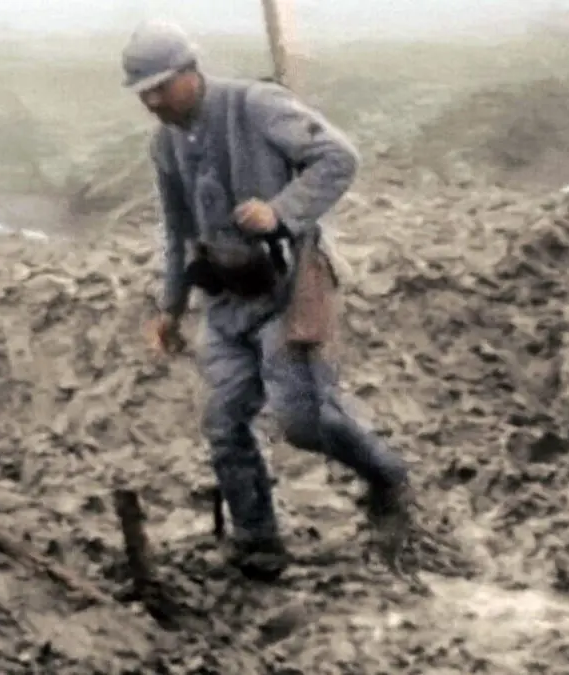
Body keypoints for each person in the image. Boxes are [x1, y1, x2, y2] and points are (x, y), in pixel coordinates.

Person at [124, 19, 411, 581]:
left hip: (289, 287)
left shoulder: (255, 105)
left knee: (303, 420)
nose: (153, 101)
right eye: (143, 92)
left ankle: (387, 476)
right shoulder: (165, 144)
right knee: (223, 422)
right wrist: (170, 309)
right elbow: (176, 229)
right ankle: (257, 543)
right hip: (227, 301)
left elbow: (338, 158)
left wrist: (281, 211)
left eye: (161, 86)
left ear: (190, 72)